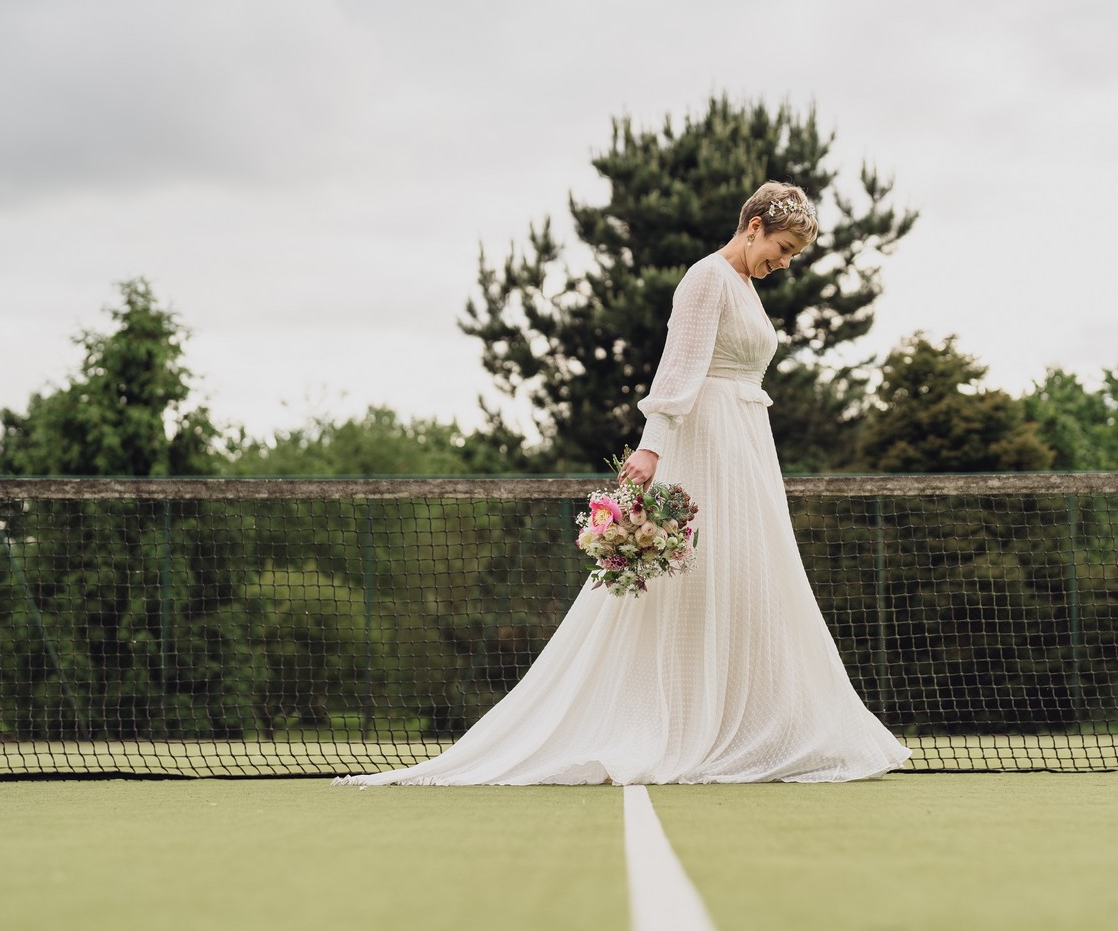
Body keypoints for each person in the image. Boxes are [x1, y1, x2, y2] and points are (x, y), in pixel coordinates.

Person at [334, 181, 910, 786]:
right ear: (755, 225)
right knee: (693, 575)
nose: (785, 263)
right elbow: (680, 363)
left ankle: (746, 726)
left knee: (747, 577)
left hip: (746, 447)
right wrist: (654, 443)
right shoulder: (707, 278)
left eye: (794, 255)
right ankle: (672, 724)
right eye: (784, 247)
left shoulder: (743, 286)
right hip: (705, 440)